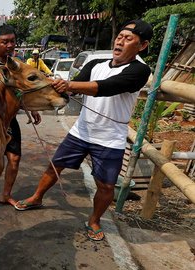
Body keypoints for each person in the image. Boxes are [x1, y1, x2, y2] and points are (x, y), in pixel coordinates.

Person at [14, 20, 153, 242]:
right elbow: (73, 90)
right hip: (82, 131)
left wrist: (68, 85)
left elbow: (107, 87)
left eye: (128, 39)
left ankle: (94, 220)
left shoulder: (139, 70)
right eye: (119, 37)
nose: (120, 41)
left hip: (110, 138)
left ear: (142, 45)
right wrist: (40, 99)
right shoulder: (96, 64)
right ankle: (37, 197)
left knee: (106, 185)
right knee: (55, 165)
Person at [0, 24, 41, 214]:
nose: (9, 45)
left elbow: (20, 90)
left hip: (10, 120)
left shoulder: (16, 64)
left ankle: (6, 195)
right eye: (4, 42)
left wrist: (30, 107)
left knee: (14, 159)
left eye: (12, 41)